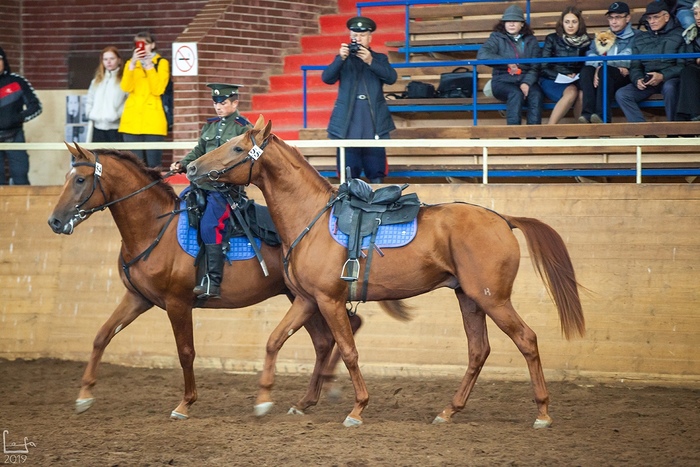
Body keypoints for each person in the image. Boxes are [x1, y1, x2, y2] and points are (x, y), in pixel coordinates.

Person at [170, 83, 253, 299]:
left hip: (225, 191)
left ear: (235, 103)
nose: (218, 107)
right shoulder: (210, 127)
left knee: (210, 224)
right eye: (215, 103)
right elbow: (199, 151)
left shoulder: (243, 128)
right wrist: (182, 163)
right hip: (201, 186)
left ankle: (212, 281)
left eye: (223, 103)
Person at [322, 16, 397, 183]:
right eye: (355, 35)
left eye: (362, 35)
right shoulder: (343, 59)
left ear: (370, 37)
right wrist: (340, 59)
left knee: (376, 169)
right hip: (349, 121)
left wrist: (370, 61)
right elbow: (327, 78)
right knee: (348, 170)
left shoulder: (379, 58)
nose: (358, 38)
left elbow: (392, 78)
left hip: (372, 121)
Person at [615, 1, 685, 122]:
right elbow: (635, 65)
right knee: (622, 94)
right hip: (648, 80)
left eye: (656, 17)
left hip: (670, 79)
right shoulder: (640, 38)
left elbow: (683, 65)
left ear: (667, 17)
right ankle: (646, 133)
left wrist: (662, 76)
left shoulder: (680, 35)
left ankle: (674, 131)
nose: (651, 21)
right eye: (649, 18)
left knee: (670, 88)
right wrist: (637, 79)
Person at [477, 5, 543, 126]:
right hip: (502, 80)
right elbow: (482, 55)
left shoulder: (531, 40)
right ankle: (514, 137)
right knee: (515, 94)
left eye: (515, 21)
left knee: (536, 94)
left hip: (525, 79)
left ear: (522, 24)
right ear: (504, 23)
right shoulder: (496, 38)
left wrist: (526, 82)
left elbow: (536, 65)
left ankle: (533, 137)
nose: (511, 24)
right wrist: (506, 61)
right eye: (508, 21)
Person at [579, 2, 641, 123]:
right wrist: (600, 66)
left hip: (625, 77)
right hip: (605, 74)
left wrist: (602, 65)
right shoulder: (603, 35)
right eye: (611, 18)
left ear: (627, 18)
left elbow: (628, 60)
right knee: (587, 70)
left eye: (617, 17)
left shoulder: (637, 36)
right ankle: (587, 115)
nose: (613, 21)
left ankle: (602, 117)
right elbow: (590, 56)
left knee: (604, 70)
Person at [119, 31, 169, 168]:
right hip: (132, 121)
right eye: (139, 44)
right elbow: (125, 87)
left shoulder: (161, 63)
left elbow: (158, 89)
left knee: (153, 165)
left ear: (152, 45)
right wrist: (132, 65)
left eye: (146, 44)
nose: (143, 47)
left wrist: (149, 67)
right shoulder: (131, 63)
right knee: (134, 166)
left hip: (153, 121)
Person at [539, 7, 591, 124]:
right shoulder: (552, 39)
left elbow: (587, 65)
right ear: (562, 23)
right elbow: (543, 66)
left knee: (582, 94)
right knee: (572, 91)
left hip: (576, 79)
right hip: (552, 79)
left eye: (574, 22)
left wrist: (577, 74)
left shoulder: (586, 41)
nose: (570, 25)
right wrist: (561, 75)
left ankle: (581, 134)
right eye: (567, 22)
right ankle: (549, 131)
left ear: (579, 23)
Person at [0, 46, 42, 185]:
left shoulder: (17, 81)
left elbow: (36, 107)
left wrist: (17, 118)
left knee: (20, 176)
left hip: (15, 136)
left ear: (4, 61)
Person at [86, 46, 128, 143]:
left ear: (119, 60)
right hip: (97, 126)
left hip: (115, 128)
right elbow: (90, 99)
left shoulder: (124, 80)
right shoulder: (96, 81)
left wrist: (117, 115)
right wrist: (90, 113)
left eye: (112, 58)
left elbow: (128, 101)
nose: (108, 62)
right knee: (98, 157)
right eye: (105, 59)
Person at [675, 0, 700, 120]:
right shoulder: (692, 32)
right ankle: (695, 116)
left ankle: (683, 116)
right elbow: (690, 58)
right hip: (697, 68)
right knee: (687, 71)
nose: (698, 18)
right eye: (695, 14)